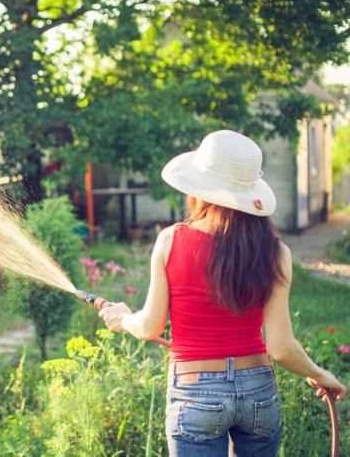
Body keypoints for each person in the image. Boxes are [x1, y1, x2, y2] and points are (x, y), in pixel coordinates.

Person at [96, 130, 346, 457]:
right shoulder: (275, 252)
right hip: (258, 390)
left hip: (196, 392)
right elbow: (281, 348)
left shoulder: (171, 241)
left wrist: (122, 318)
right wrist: (319, 373)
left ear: (199, 190)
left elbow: (150, 327)